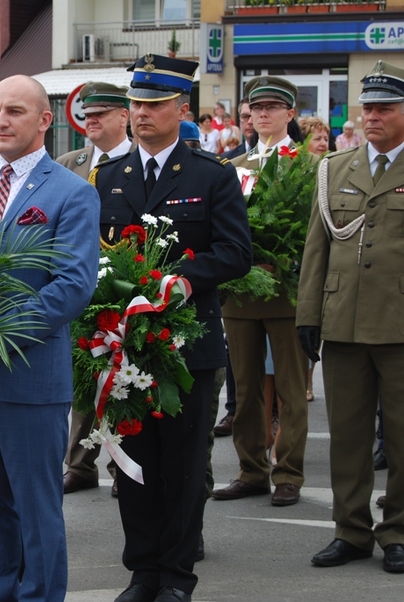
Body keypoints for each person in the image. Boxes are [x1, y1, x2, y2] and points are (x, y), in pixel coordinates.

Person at [94, 54, 252, 602]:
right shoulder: (109, 177)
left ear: (182, 109)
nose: (141, 113)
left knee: (184, 467)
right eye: (135, 103)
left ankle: (177, 576)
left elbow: (236, 253)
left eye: (154, 104)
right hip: (124, 345)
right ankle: (142, 572)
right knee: (134, 465)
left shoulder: (212, 175)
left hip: (187, 343)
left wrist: (178, 278)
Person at [0, 74, 100, 601]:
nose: (1, 122)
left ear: (44, 121)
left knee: (36, 508)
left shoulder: (71, 192)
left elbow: (73, 284)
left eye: (14, 111)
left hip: (29, 377)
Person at [297, 59, 404, 574]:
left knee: (403, 436)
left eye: (385, 108)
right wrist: (307, 315)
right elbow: (317, 251)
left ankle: (398, 530)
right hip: (342, 322)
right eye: (368, 108)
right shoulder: (336, 169)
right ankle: (351, 531)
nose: (373, 117)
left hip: (400, 324)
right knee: (348, 434)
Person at [214, 76, 311, 508]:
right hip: (241, 292)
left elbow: (313, 233)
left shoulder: (309, 165)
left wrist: (284, 263)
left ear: (290, 114)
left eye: (274, 107)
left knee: (290, 389)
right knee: (246, 389)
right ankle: (252, 470)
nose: (263, 114)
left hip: (287, 293)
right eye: (257, 108)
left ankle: (288, 472)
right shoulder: (234, 168)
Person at [56, 81, 133, 499]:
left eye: (102, 113)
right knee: (84, 378)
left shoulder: (139, 161)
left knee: (122, 378)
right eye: (88, 113)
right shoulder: (70, 163)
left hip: (125, 287)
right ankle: (80, 464)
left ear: (124, 116)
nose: (92, 120)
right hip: (78, 282)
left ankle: (123, 462)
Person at [57, 81, 134, 179]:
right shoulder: (66, 164)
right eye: (87, 115)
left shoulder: (144, 160)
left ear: (123, 116)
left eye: (100, 114)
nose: (91, 121)